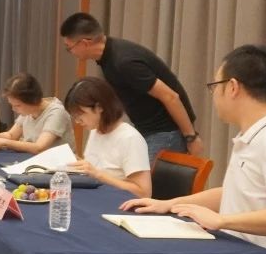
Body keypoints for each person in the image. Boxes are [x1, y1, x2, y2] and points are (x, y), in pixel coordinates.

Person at [121, 46, 266, 254]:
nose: (214, 96)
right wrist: (170, 204)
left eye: (214, 87)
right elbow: (235, 192)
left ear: (232, 87)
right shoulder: (257, 135)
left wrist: (222, 221)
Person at [60, 12, 201, 160]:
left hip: (165, 131)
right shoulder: (108, 56)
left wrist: (191, 137)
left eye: (69, 47)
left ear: (84, 43)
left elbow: (170, 96)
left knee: (140, 175)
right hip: (147, 129)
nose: (70, 52)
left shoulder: (124, 62)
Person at [62, 77, 151, 198]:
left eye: (80, 115)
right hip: (97, 197)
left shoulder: (130, 138)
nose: (77, 121)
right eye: (74, 116)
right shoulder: (96, 131)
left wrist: (98, 175)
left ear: (99, 107)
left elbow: (144, 193)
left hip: (118, 203)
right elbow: (97, 167)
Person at [0, 73, 75, 154]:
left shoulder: (56, 112)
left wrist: (4, 142)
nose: (13, 109)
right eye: (12, 105)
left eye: (18, 105)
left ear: (32, 100)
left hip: (57, 164)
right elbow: (11, 135)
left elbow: (39, 147)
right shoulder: (29, 111)